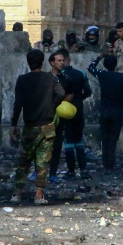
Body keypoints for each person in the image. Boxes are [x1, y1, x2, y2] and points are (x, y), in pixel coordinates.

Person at [11, 50, 66, 204]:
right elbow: (61, 93)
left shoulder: (22, 80)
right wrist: (52, 105)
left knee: (24, 161)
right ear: (42, 62)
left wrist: (13, 124)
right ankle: (39, 194)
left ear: (28, 63)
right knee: (43, 162)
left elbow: (18, 104)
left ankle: (17, 193)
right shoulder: (51, 78)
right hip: (47, 126)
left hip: (29, 126)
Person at [50, 49, 92, 180]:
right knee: (78, 140)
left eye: (62, 60)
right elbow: (88, 91)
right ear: (71, 59)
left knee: (68, 141)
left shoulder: (59, 77)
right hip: (78, 109)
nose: (61, 63)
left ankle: (71, 171)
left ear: (65, 60)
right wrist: (78, 99)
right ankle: (83, 170)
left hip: (63, 111)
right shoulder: (81, 74)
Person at [87, 53, 123, 170]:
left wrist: (100, 56)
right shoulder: (122, 78)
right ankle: (111, 162)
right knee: (113, 138)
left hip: (104, 110)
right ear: (116, 64)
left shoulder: (102, 75)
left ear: (105, 65)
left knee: (105, 137)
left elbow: (90, 68)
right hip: (116, 111)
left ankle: (105, 163)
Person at [46, 51, 74, 182]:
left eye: (63, 60)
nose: (62, 63)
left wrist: (61, 104)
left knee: (56, 145)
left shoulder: (66, 79)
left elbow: (70, 94)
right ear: (52, 62)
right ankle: (38, 171)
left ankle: (52, 173)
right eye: (59, 60)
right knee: (41, 145)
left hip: (58, 118)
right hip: (44, 116)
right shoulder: (44, 78)